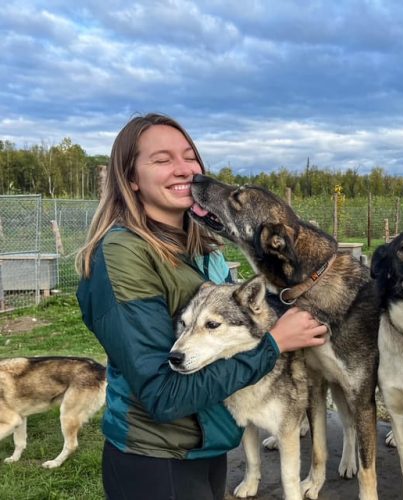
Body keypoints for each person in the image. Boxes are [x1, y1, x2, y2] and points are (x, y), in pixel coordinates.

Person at [76, 113, 328, 500]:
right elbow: (163, 395)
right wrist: (273, 344)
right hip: (155, 459)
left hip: (206, 447)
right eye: (161, 160)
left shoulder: (199, 248)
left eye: (189, 156)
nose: (184, 170)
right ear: (130, 180)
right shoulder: (122, 255)